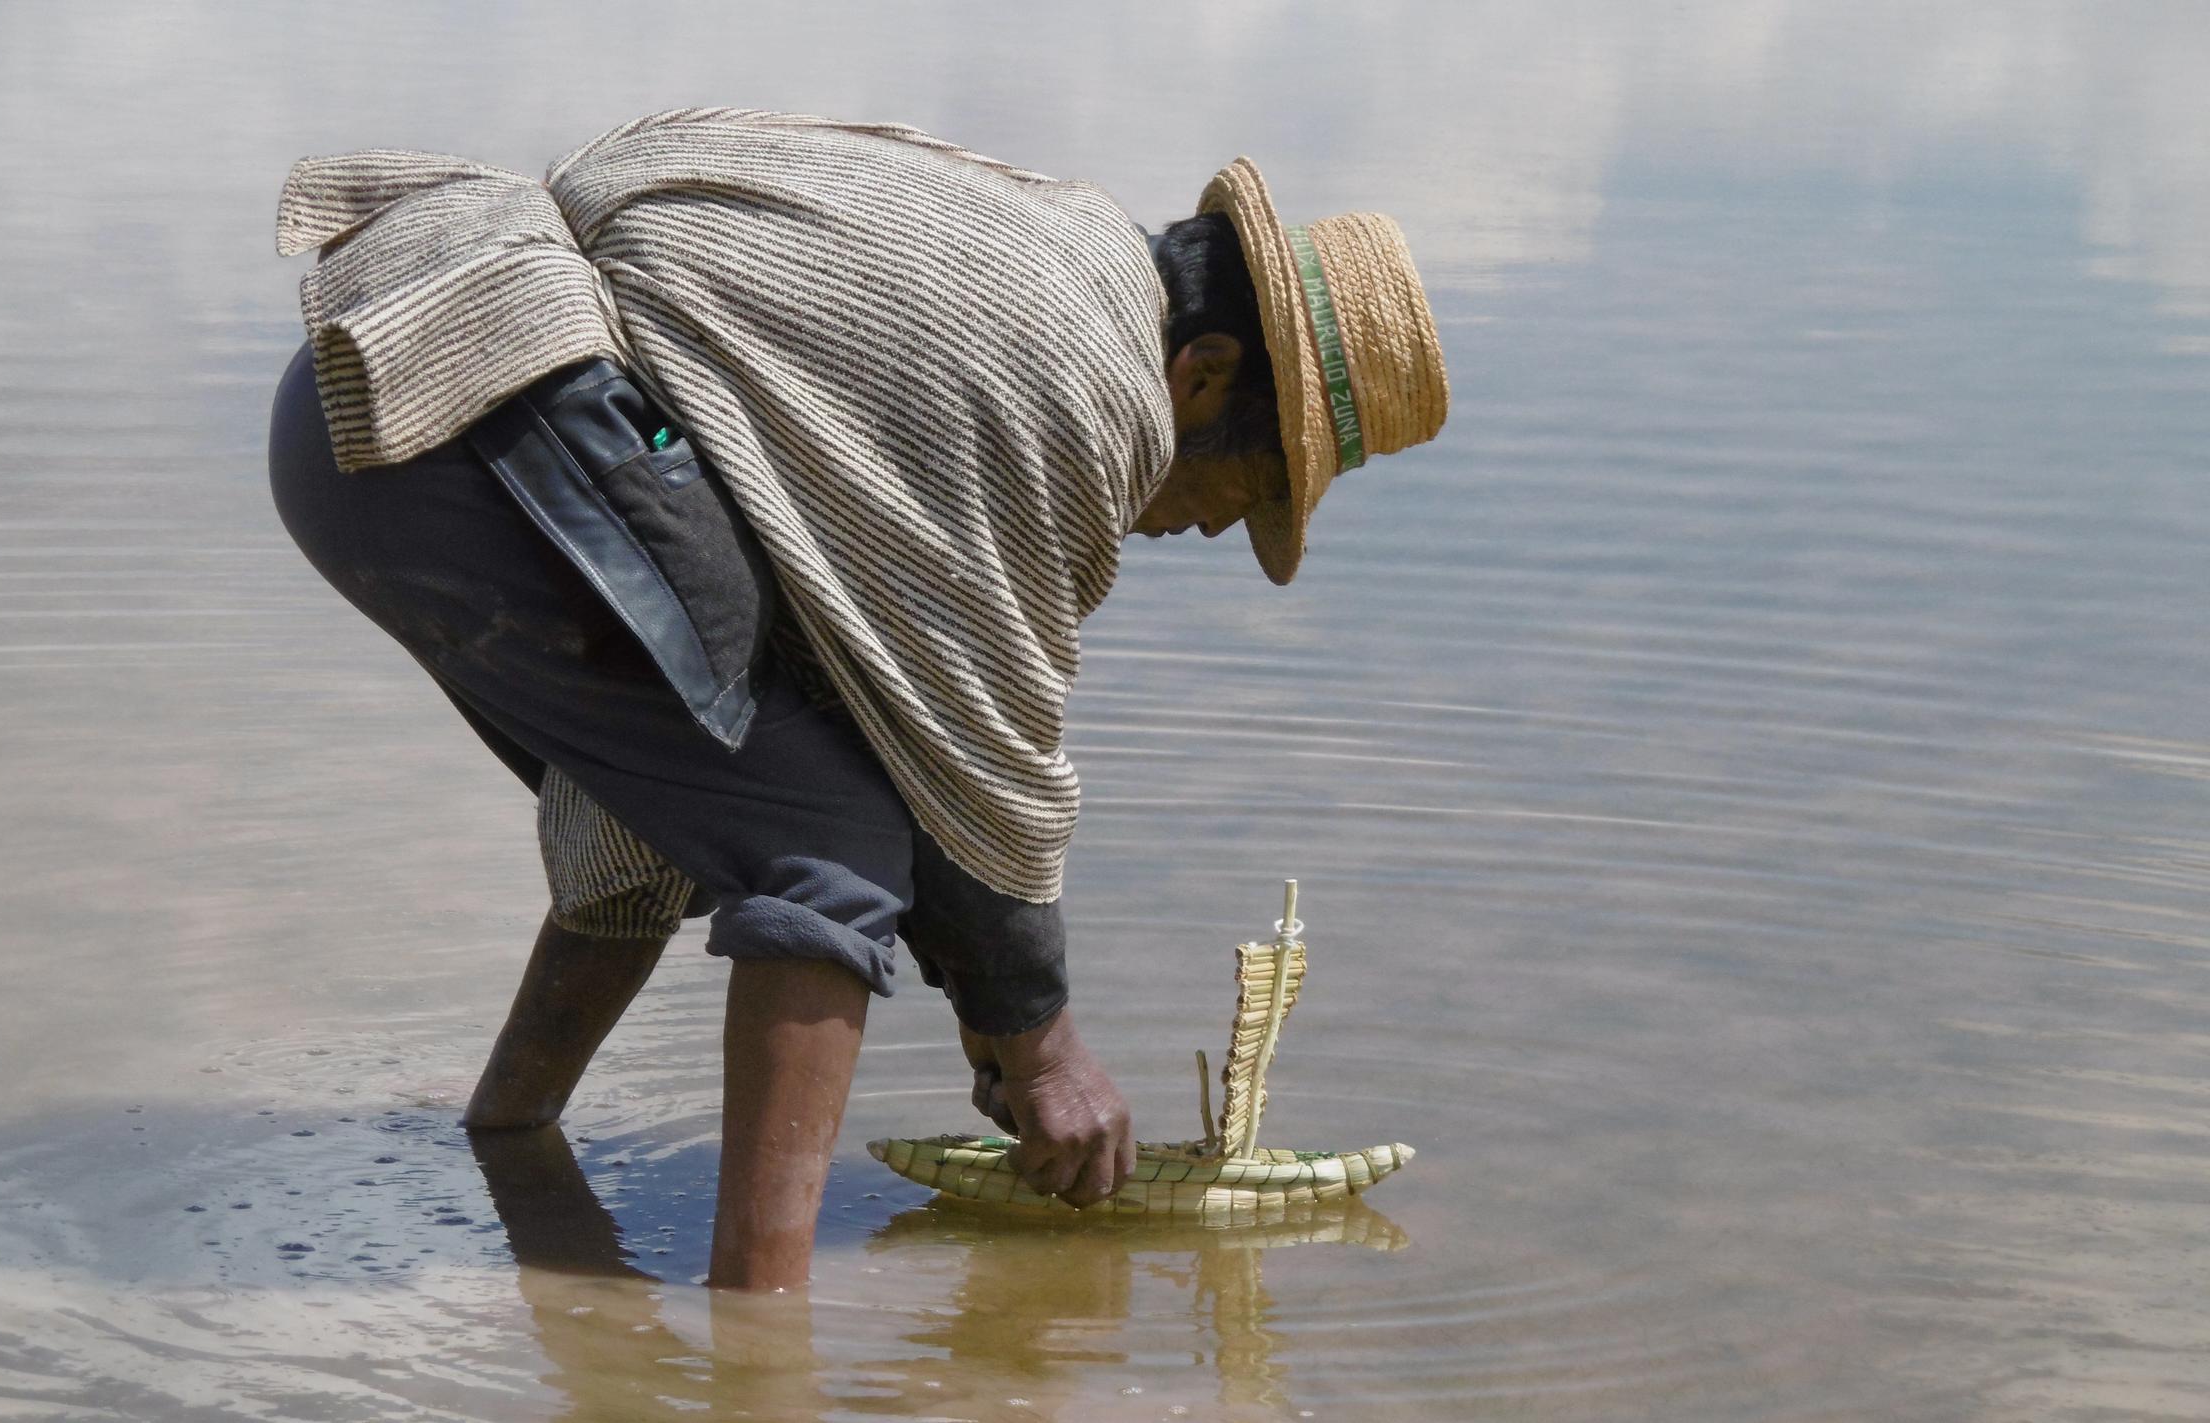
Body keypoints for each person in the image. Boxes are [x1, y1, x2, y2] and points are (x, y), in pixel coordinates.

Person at [266, 108, 1447, 1290]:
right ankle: (761, 1345)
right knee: (835, 850)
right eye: (1246, 489)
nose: (1208, 527)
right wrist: (1042, 1046)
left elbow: (882, 696)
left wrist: (986, 993)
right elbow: (979, 755)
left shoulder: (1063, 251)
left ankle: (512, 1137)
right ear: (1204, 374)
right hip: (460, 429)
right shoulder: (1091, 390)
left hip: (379, 380)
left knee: (731, 762)